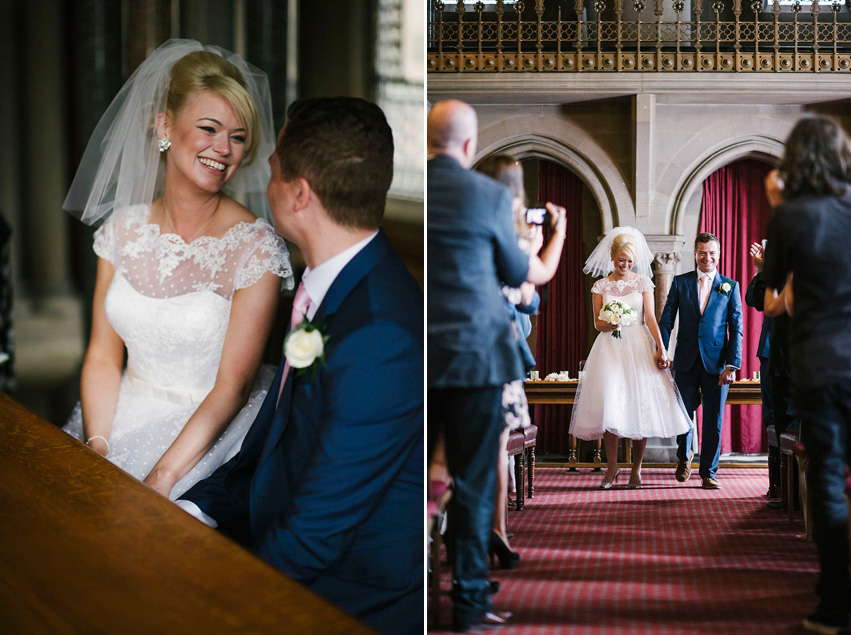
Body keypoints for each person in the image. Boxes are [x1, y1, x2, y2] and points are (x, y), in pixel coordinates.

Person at [177, 97, 423, 634]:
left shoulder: (380, 333)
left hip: (348, 594)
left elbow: (318, 531)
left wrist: (206, 593)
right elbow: (272, 446)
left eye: (275, 166)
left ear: (299, 194)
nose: (266, 173)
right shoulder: (327, 287)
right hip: (287, 537)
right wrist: (188, 514)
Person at [62, 40, 293, 500]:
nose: (223, 149)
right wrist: (98, 445)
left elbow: (233, 385)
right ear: (165, 126)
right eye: (209, 128)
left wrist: (162, 477)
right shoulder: (122, 230)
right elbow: (104, 358)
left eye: (238, 136)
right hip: (118, 413)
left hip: (211, 431)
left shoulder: (256, 248)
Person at [427, 100, 566, 632]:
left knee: (426, 472)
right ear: (468, 145)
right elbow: (517, 273)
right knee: (475, 481)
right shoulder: (487, 196)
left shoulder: (408, 190)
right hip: (477, 359)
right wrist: (551, 234)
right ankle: (467, 607)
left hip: (419, 355)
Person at [761, 114, 851, 634]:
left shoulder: (791, 216)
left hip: (819, 365)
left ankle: (835, 605)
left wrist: (779, 208)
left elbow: (773, 289)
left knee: (828, 479)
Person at [569, 228, 691, 488]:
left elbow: (649, 317)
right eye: (621, 259)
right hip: (610, 349)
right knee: (611, 405)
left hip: (638, 345)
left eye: (629, 261)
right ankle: (612, 466)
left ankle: (637, 468)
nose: (625, 265)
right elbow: (597, 323)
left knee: (640, 406)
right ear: (612, 256)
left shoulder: (643, 283)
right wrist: (611, 322)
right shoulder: (601, 285)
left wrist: (661, 347)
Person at [475, 153, 543, 570]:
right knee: (495, 449)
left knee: (449, 454)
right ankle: (495, 530)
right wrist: (536, 248)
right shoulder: (505, 232)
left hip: (452, 350)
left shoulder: (467, 221)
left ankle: (450, 532)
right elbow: (524, 294)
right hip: (493, 352)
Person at [658, 232, 743, 489]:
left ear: (719, 255)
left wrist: (732, 364)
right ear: (695, 254)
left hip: (717, 364)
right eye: (703, 252)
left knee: (713, 420)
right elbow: (666, 321)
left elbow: (736, 327)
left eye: (712, 253)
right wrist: (662, 351)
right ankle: (684, 455)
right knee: (683, 414)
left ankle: (709, 472)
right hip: (685, 361)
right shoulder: (680, 282)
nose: (707, 257)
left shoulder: (730, 286)